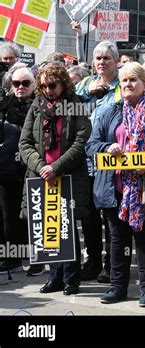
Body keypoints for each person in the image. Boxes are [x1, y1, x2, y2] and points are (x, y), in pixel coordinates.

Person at [86, 62, 145, 307]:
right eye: (125, 80)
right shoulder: (110, 111)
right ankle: (117, 287)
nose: (128, 84)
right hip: (115, 186)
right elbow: (91, 145)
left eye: (133, 80)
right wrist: (108, 147)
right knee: (117, 240)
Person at [19, 62, 92, 295]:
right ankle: (54, 278)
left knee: (66, 229)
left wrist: (56, 167)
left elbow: (81, 141)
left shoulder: (76, 105)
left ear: (62, 83)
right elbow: (24, 143)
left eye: (52, 85)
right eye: (43, 86)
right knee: (48, 230)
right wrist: (41, 167)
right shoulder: (36, 107)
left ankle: (72, 278)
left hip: (67, 174)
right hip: (41, 176)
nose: (48, 90)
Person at [76, 41, 122, 284]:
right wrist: (88, 91)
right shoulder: (85, 83)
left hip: (110, 156)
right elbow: (70, 105)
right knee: (89, 214)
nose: (102, 62)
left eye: (107, 58)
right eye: (98, 58)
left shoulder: (121, 85)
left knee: (110, 214)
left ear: (116, 61)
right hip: (85, 156)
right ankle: (92, 260)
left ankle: (110, 264)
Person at [0, 67, 37, 276]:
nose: (20, 87)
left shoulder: (40, 106)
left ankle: (34, 258)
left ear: (33, 85)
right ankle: (12, 257)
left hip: (31, 168)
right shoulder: (4, 106)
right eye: (16, 84)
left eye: (25, 83)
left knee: (31, 216)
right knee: (8, 216)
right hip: (7, 170)